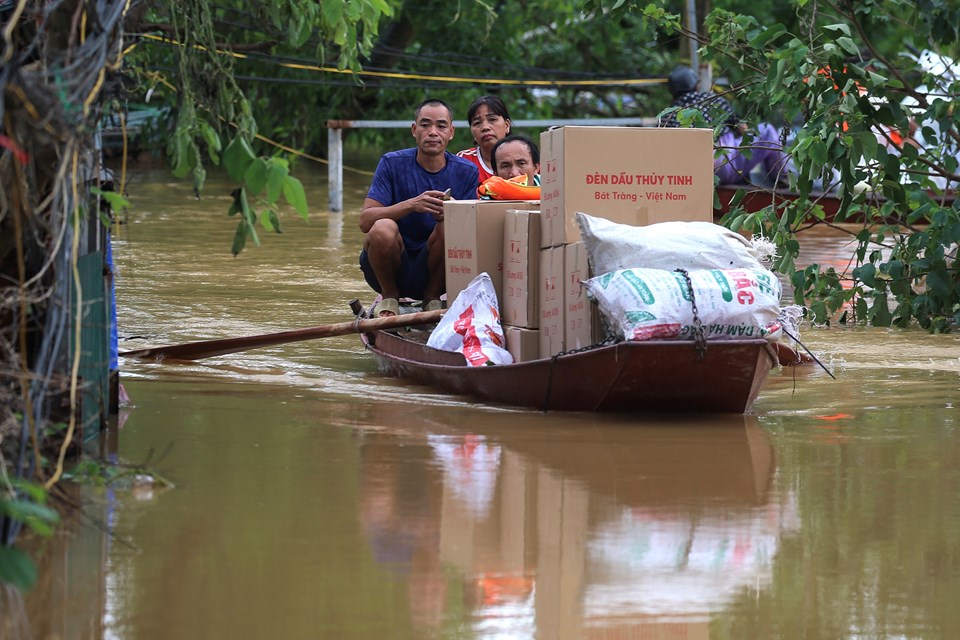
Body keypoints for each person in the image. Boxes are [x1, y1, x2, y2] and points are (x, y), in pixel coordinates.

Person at [359, 98, 479, 318]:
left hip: (437, 272)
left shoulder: (467, 171)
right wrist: (413, 204)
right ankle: (390, 296)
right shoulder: (391, 163)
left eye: (441, 126)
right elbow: (365, 221)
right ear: (414, 130)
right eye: (425, 125)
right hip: (391, 266)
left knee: (450, 228)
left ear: (451, 132)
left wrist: (452, 214)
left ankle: (432, 298)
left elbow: (473, 230)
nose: (432, 132)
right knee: (382, 228)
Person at [662, 65, 791, 187]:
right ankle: (782, 180)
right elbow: (742, 129)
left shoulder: (667, 115)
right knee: (767, 130)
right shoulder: (711, 99)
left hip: (688, 176)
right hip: (721, 167)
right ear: (696, 85)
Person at [456, 95, 513, 185]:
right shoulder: (463, 161)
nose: (485, 127)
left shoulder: (525, 157)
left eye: (492, 119)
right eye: (477, 123)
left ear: (507, 125)